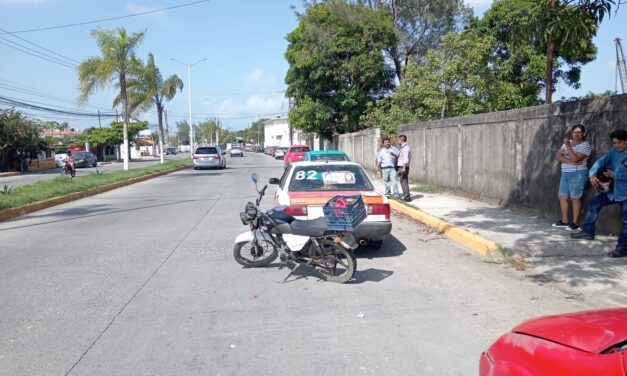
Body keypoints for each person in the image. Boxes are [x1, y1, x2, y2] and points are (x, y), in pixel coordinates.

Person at [571, 129, 627, 258]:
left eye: (619, 142)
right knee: (594, 203)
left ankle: (622, 248)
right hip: (614, 192)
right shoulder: (613, 152)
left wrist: (613, 174)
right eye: (614, 143)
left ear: (626, 141)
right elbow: (600, 162)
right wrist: (592, 174)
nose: (616, 145)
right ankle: (587, 232)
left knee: (626, 222)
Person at [552, 124, 591, 231]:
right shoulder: (566, 143)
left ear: (583, 134)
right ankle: (565, 221)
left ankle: (575, 223)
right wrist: (571, 162)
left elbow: (576, 159)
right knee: (562, 197)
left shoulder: (584, 145)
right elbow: (559, 156)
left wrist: (568, 146)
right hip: (565, 173)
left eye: (579, 132)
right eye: (574, 132)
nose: (576, 134)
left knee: (575, 198)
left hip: (578, 174)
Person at [397, 134, 412, 202]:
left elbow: (406, 158)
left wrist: (404, 167)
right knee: (403, 181)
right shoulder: (402, 147)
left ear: (401, 140)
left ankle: (407, 197)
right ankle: (406, 196)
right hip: (402, 166)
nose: (398, 141)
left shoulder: (405, 148)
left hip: (403, 166)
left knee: (404, 181)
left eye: (399, 140)